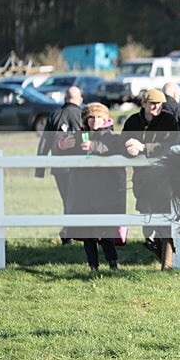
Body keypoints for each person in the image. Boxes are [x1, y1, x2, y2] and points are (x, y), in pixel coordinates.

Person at [59, 103, 126, 271]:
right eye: (91, 117)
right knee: (87, 232)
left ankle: (113, 264)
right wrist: (62, 145)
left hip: (105, 192)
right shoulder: (77, 136)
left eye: (98, 117)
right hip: (83, 192)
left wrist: (94, 147)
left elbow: (112, 148)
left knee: (106, 232)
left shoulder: (111, 136)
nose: (95, 121)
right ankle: (93, 266)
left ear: (105, 119)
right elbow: (61, 152)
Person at [122, 88, 180, 269]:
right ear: (143, 104)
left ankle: (167, 263)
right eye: (152, 104)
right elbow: (122, 143)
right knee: (147, 220)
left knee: (164, 220)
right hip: (142, 179)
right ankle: (158, 251)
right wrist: (128, 148)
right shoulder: (133, 121)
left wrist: (144, 147)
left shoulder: (169, 120)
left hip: (163, 178)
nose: (156, 107)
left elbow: (171, 143)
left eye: (159, 104)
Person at [34, 86, 84, 244]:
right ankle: (73, 233)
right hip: (80, 167)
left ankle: (69, 232)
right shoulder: (83, 115)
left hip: (59, 168)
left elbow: (44, 142)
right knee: (77, 200)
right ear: (80, 100)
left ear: (65, 99)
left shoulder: (55, 115)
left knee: (67, 200)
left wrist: (40, 169)